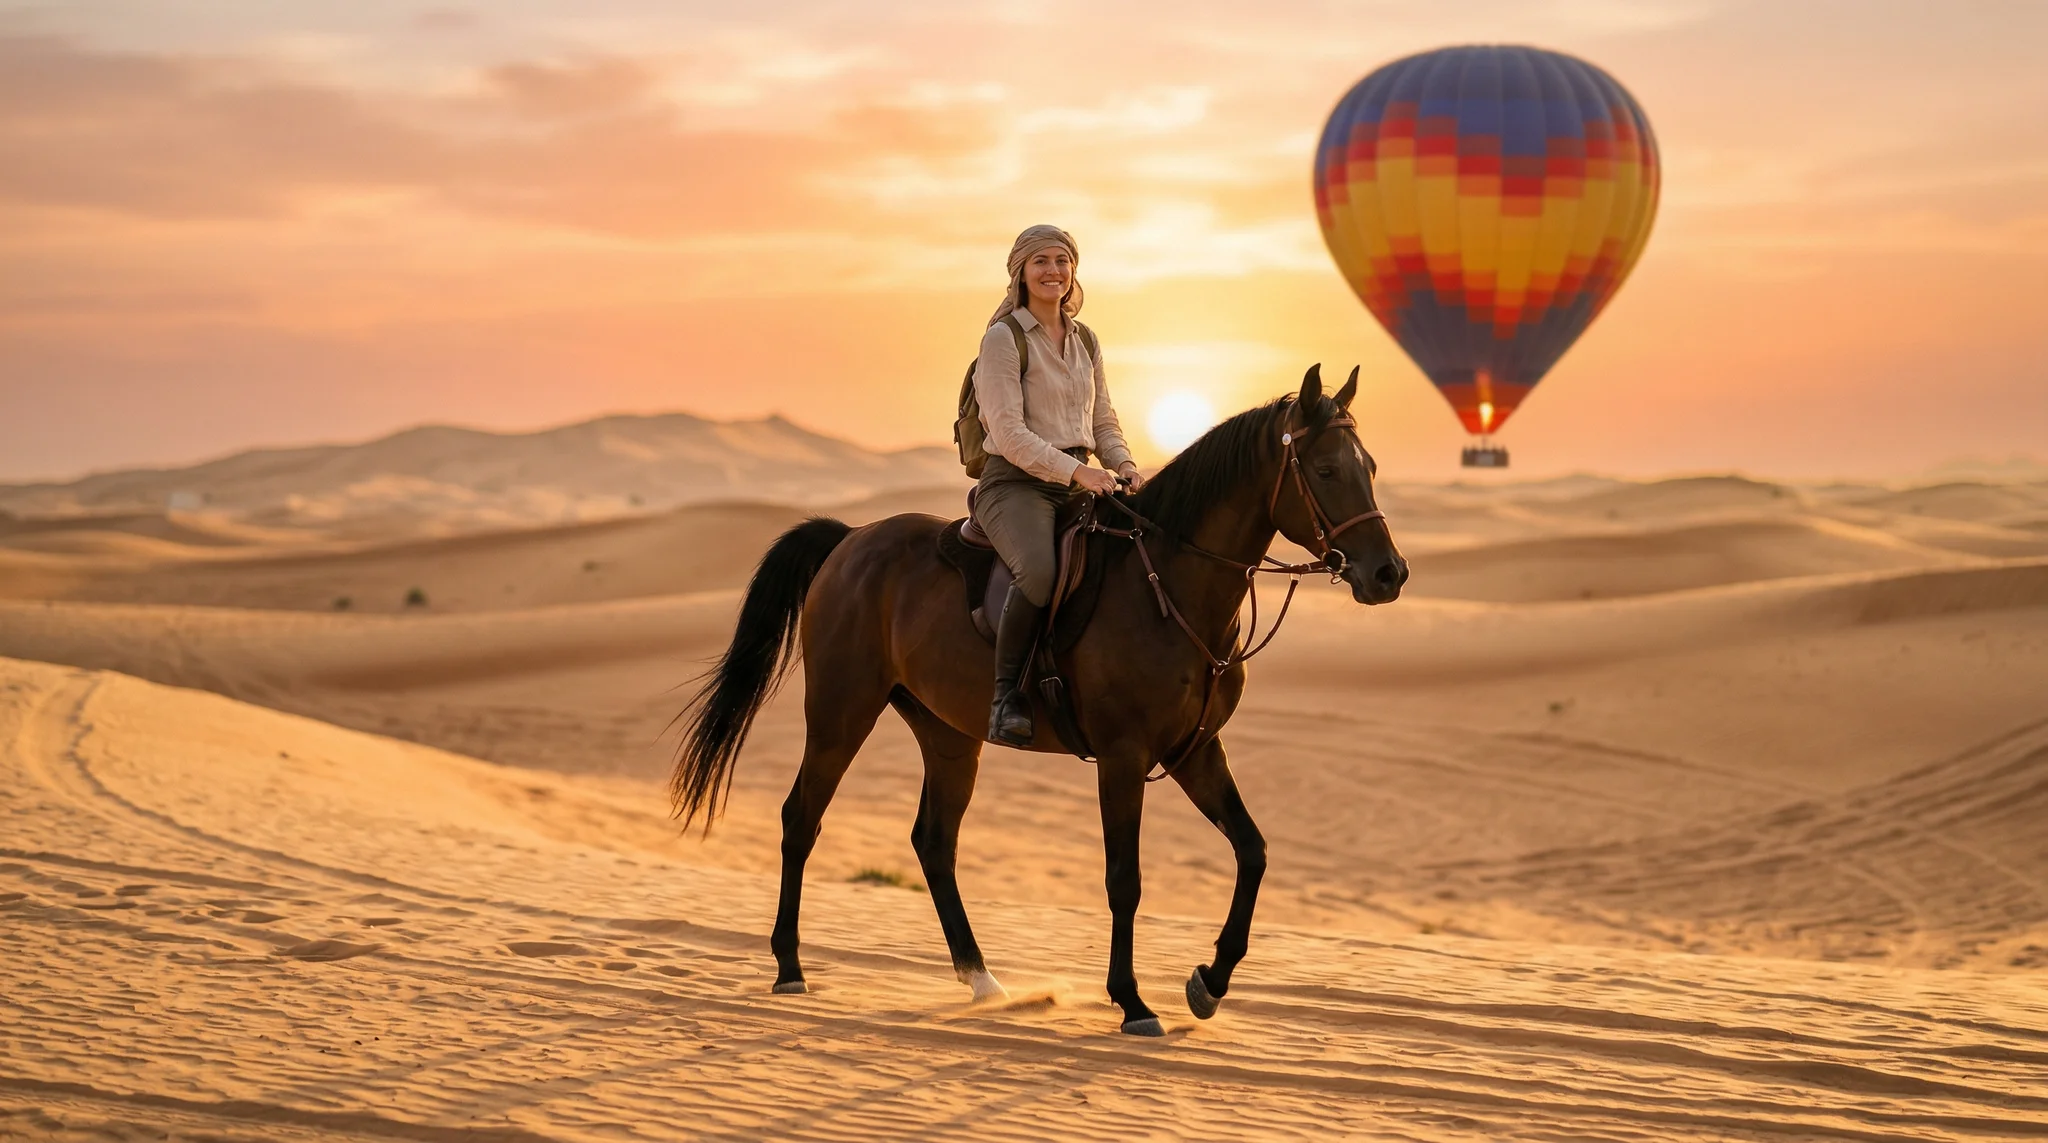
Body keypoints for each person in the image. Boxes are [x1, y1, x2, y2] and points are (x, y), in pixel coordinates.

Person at [972, 224, 1146, 747]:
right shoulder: (1003, 339)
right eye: (1040, 261)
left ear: (1074, 272)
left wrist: (1126, 466)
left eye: (1062, 261)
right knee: (1042, 572)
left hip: (1081, 478)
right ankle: (1006, 698)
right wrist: (1078, 472)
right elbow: (1006, 432)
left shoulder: (1085, 339)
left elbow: (1103, 421)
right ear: (1020, 272)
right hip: (1015, 483)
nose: (1053, 271)